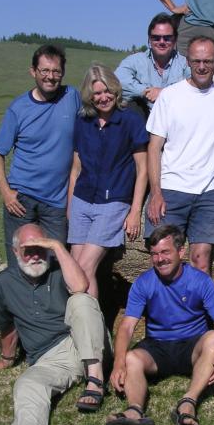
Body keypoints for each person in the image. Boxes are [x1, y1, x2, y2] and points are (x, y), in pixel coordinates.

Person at [0, 224, 107, 425]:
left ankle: (96, 381)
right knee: (27, 383)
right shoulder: (3, 283)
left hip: (84, 341)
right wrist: (8, 359)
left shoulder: (60, 268)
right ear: (15, 252)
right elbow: (7, 325)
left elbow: (81, 286)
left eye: (41, 248)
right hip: (49, 359)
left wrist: (57, 247)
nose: (36, 256)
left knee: (82, 300)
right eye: (28, 250)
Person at [105, 226, 214, 425]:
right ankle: (134, 411)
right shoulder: (143, 283)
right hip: (157, 347)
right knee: (130, 358)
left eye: (165, 252)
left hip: (192, 346)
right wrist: (118, 363)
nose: (160, 259)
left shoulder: (201, 281)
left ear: (181, 252)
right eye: (154, 254)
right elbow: (127, 327)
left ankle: (187, 403)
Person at [145, 36, 214, 274]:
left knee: (201, 260)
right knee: (163, 261)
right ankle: (166, 311)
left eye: (207, 61)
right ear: (188, 61)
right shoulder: (170, 96)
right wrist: (155, 192)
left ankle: (197, 312)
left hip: (208, 190)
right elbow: (154, 147)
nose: (202, 66)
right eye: (197, 61)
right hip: (171, 188)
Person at [0, 44, 79, 267]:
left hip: (57, 202)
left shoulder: (72, 98)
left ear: (63, 72)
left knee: (57, 264)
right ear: (33, 72)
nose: (51, 77)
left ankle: (54, 303)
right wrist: (6, 193)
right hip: (22, 199)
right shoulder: (18, 108)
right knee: (19, 260)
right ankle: (16, 301)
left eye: (56, 71)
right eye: (45, 71)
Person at [67, 63, 148, 301]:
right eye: (97, 94)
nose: (103, 98)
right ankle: (80, 329)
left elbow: (142, 170)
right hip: (82, 199)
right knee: (73, 268)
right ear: (89, 97)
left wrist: (134, 211)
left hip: (112, 203)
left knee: (83, 269)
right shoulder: (83, 122)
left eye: (107, 91)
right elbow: (75, 168)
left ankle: (91, 333)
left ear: (115, 90)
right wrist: (71, 206)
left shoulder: (131, 121)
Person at [114, 13, 190, 118]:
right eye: (156, 38)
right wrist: (145, 91)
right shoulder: (136, 60)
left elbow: (195, 87)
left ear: (175, 39)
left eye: (167, 38)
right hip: (145, 119)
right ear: (149, 39)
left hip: (176, 118)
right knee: (133, 105)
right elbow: (117, 80)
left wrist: (165, 93)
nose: (161, 42)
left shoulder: (185, 63)